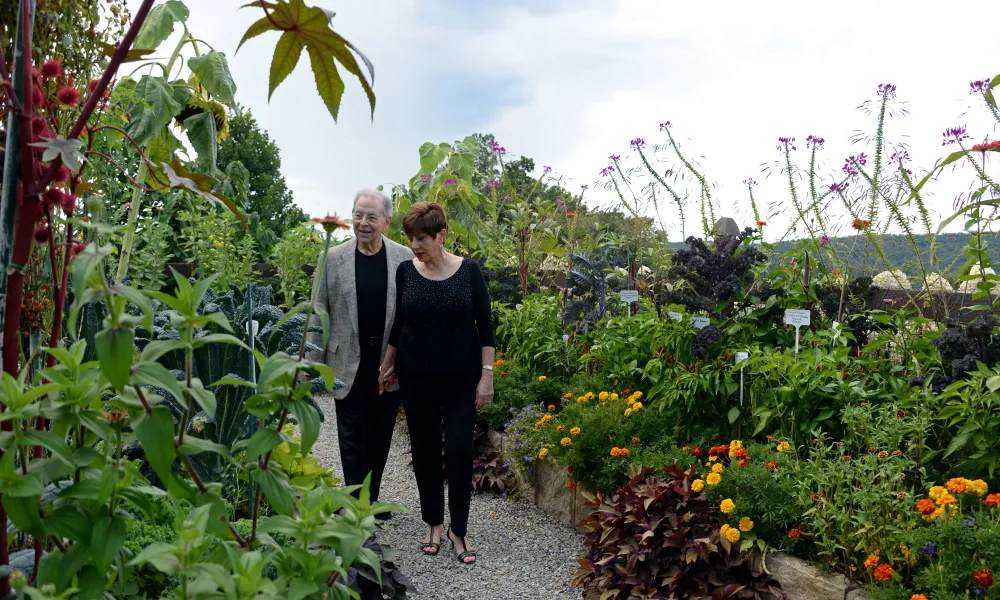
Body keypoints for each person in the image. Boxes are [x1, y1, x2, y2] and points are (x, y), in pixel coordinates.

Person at [378, 201, 495, 565]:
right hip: (416, 378)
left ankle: (459, 529)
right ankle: (433, 522)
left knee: (459, 451)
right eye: (411, 238)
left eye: (423, 238)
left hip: (461, 380)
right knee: (425, 451)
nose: (415, 245)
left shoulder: (469, 271)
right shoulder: (405, 272)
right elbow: (400, 322)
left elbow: (486, 326)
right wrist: (387, 364)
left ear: (442, 235)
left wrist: (486, 377)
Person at [307, 189, 413, 509]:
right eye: (357, 214)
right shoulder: (333, 257)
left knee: (380, 439)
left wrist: (405, 359)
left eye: (371, 216)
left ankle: (370, 500)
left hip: (388, 364)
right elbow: (317, 311)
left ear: (387, 221)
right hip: (346, 362)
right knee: (353, 440)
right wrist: (311, 367)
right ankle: (356, 510)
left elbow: (410, 314)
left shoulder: (404, 258)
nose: (363, 223)